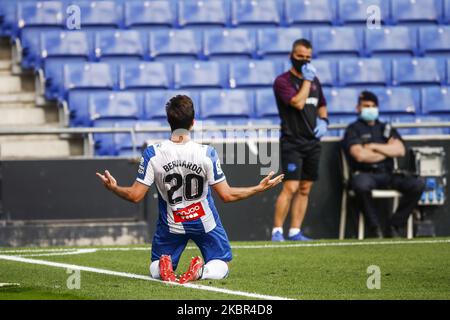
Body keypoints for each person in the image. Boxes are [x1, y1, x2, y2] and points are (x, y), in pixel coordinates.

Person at [96, 95, 284, 284]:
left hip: (171, 224)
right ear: (193, 122)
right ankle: (202, 272)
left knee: (154, 266)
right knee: (222, 263)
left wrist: (114, 187)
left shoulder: (153, 153)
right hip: (205, 223)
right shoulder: (206, 153)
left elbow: (135, 195)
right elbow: (227, 195)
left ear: (169, 121)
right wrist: (258, 188)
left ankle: (163, 269)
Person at [342, 91, 425, 238]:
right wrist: (387, 151)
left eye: (373, 106)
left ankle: (394, 226)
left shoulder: (386, 128)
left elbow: (400, 150)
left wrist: (373, 146)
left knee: (417, 184)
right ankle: (375, 228)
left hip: (388, 173)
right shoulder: (353, 129)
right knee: (360, 185)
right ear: (358, 108)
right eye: (366, 106)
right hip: (366, 174)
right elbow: (360, 155)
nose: (370, 109)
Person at [271, 39, 329, 242]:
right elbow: (297, 102)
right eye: (300, 56)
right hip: (292, 141)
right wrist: (306, 80)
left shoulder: (315, 81)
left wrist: (324, 121)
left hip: (312, 142)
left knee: (305, 188)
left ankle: (295, 231)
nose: (304, 61)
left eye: (308, 57)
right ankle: (277, 230)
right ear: (291, 56)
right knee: (290, 187)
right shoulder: (282, 82)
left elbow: (321, 103)